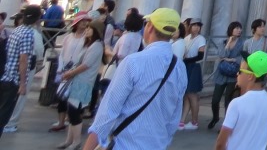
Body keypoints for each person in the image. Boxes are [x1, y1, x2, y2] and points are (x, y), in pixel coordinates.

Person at [81, 8, 188, 150]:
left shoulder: (133, 62)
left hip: (125, 144)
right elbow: (174, 116)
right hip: (157, 145)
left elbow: (108, 112)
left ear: (150, 27)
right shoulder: (180, 67)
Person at [56, 19, 104, 149]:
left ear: (96, 31)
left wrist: (70, 73)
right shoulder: (90, 44)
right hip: (78, 80)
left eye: (89, 28)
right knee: (72, 111)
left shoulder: (96, 46)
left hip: (84, 82)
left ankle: (76, 142)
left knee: (74, 111)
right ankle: (69, 140)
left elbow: (86, 65)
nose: (86, 30)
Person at [214, 51, 267, 150]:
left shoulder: (237, 103)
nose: (237, 74)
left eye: (240, 71)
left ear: (250, 76)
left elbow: (221, 143)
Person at [0, 4, 42, 134]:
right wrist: (23, 83)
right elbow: (23, 59)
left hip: (5, 75)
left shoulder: (17, 30)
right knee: (3, 116)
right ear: (37, 18)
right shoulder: (29, 33)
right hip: (14, 79)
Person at [50, 12, 91, 134]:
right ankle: (61, 121)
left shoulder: (87, 39)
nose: (84, 23)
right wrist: (60, 68)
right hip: (65, 70)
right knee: (62, 97)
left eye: (86, 21)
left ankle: (72, 122)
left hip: (77, 71)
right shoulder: (68, 37)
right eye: (82, 21)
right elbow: (62, 53)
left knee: (75, 99)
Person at [209, 21, 245, 129]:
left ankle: (226, 125)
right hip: (221, 74)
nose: (239, 30)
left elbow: (243, 57)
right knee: (215, 100)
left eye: (240, 28)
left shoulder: (242, 43)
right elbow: (222, 55)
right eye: (236, 28)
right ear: (231, 29)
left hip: (233, 74)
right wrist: (229, 43)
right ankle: (215, 117)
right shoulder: (223, 42)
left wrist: (232, 59)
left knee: (228, 101)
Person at [179, 19, 206, 130]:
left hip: (194, 66)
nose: (196, 28)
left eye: (198, 26)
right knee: (186, 95)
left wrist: (187, 60)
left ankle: (195, 121)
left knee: (192, 94)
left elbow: (200, 56)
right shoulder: (186, 38)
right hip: (186, 66)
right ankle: (182, 120)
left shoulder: (201, 39)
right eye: (194, 25)